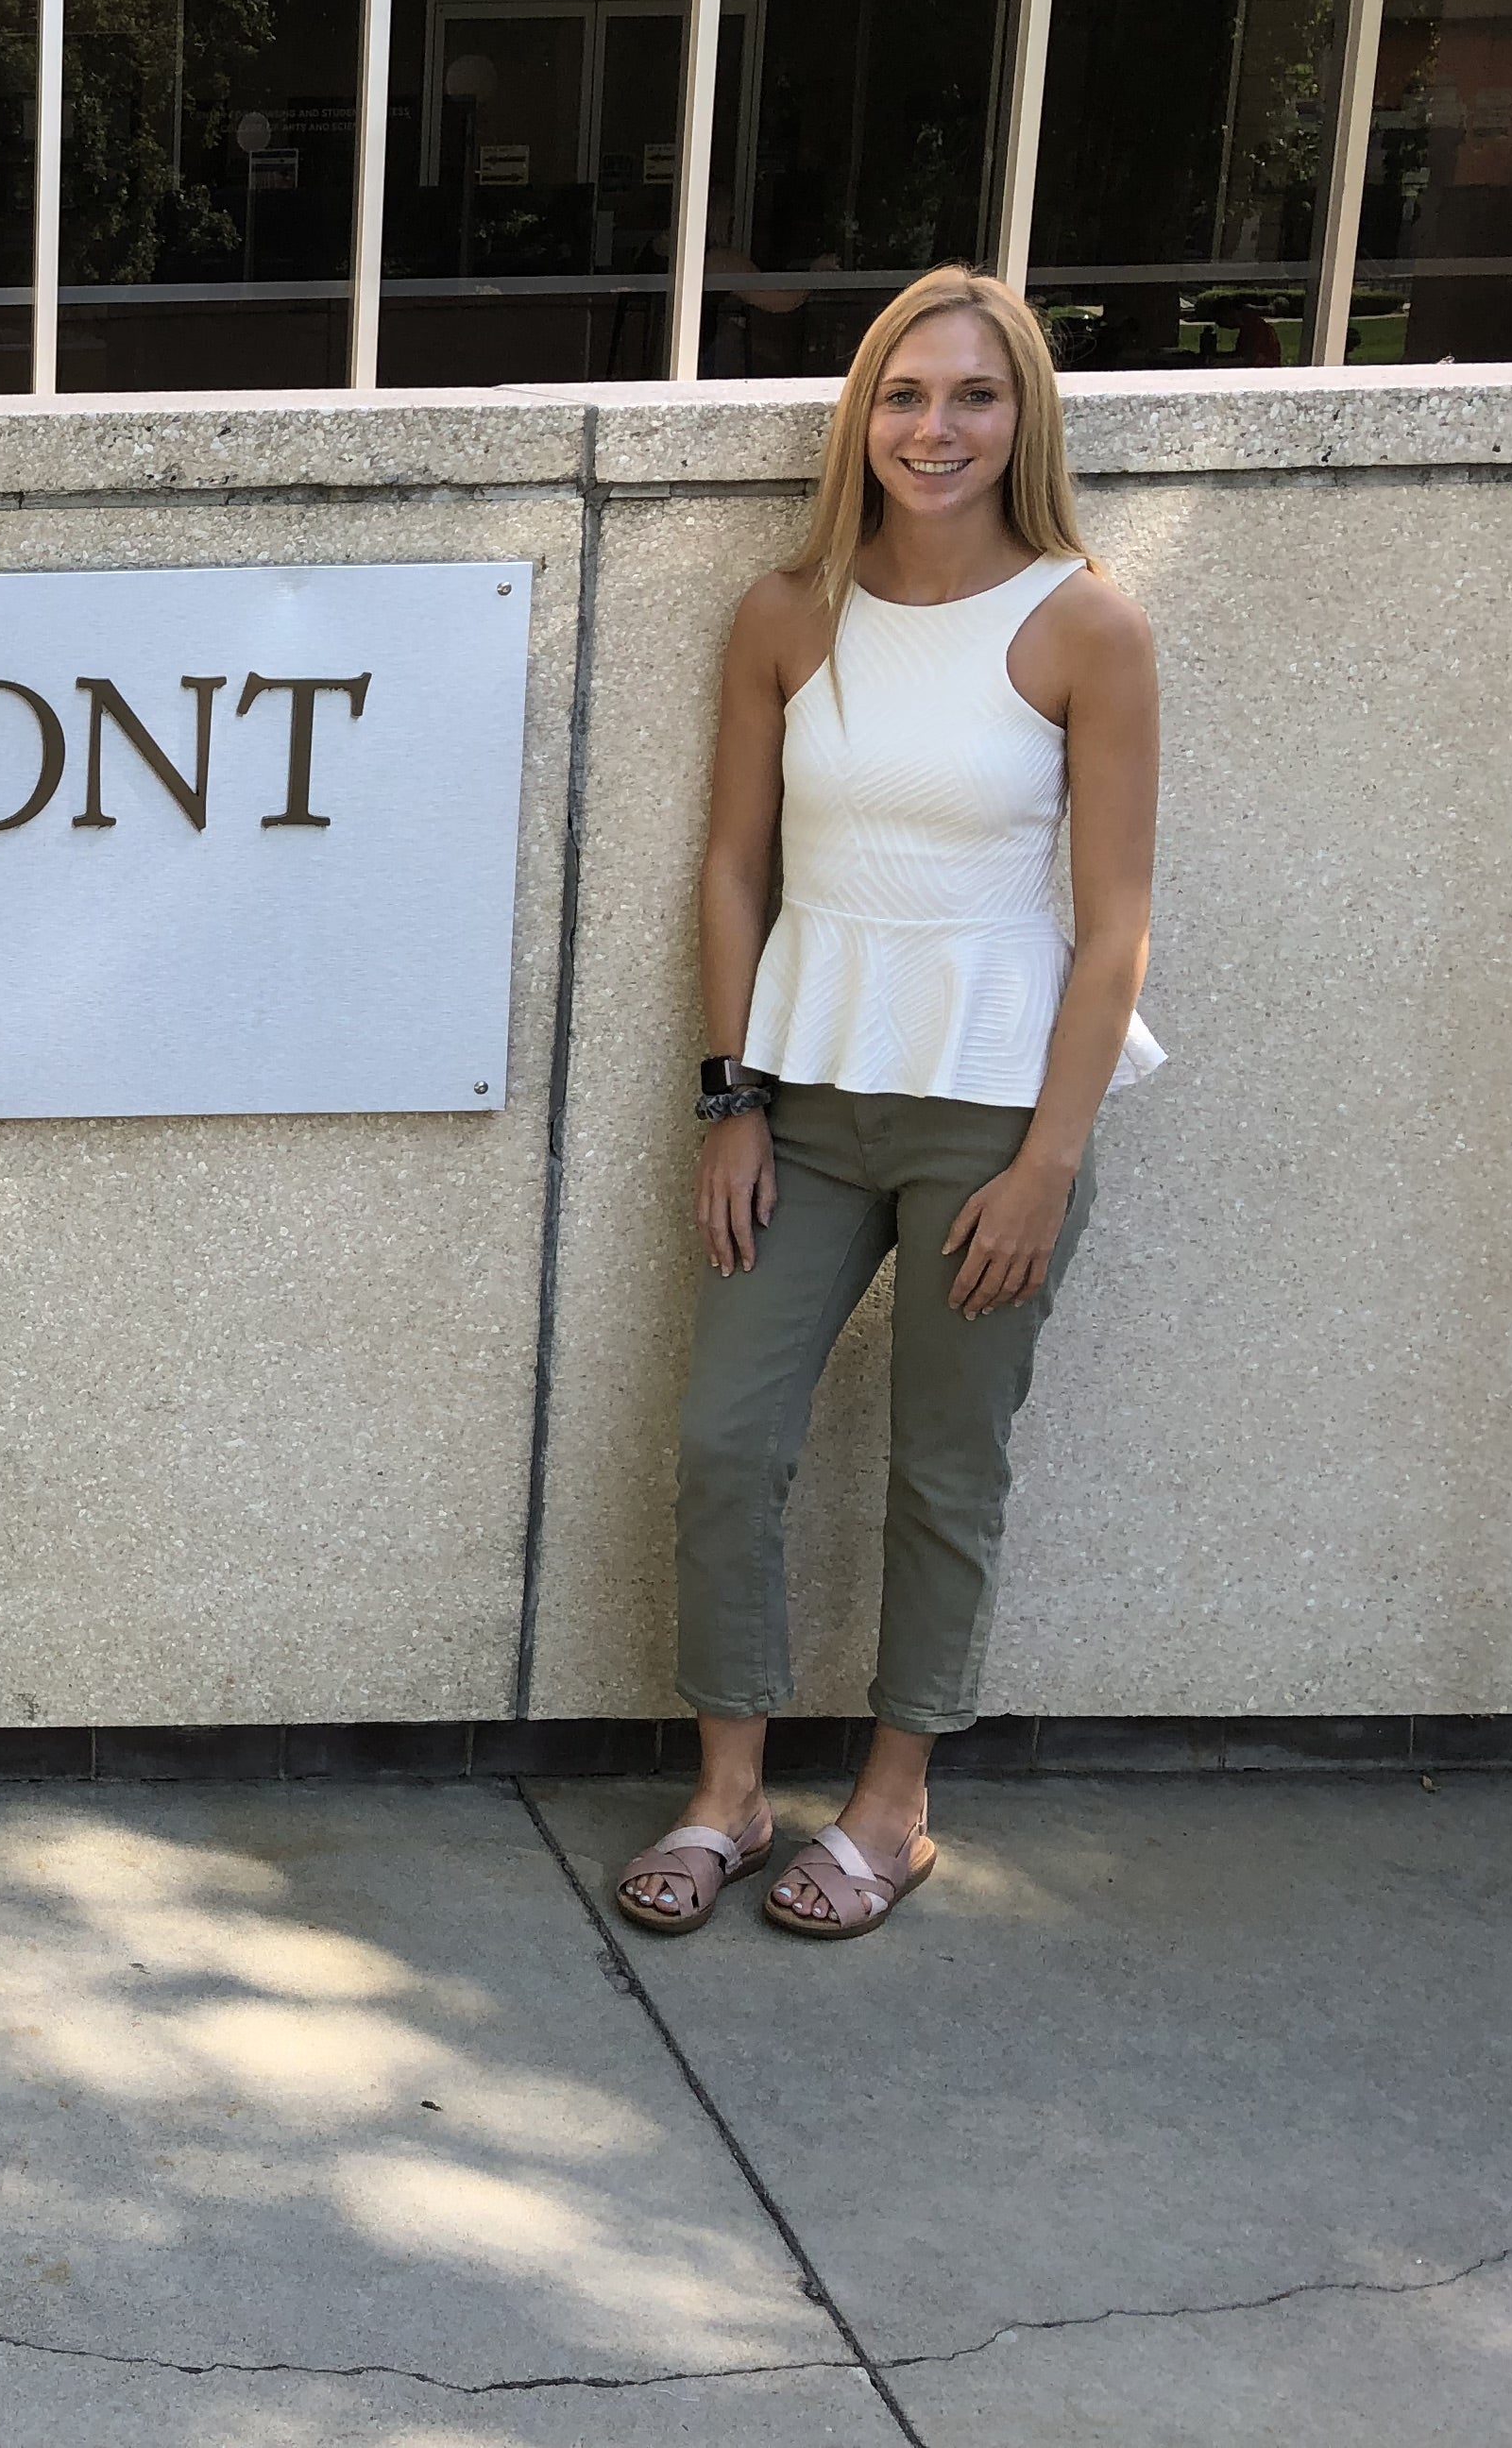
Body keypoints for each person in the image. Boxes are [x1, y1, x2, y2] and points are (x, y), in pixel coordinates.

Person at [616, 264, 1162, 1944]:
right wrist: (730, 1098)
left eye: (973, 396)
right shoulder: (790, 611)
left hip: (990, 1118)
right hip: (805, 1094)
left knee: (943, 1462)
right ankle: (727, 1788)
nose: (935, 427)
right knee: (724, 1439)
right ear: (862, 413)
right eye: (905, 394)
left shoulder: (1084, 620)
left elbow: (1116, 919)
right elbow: (730, 863)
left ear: (1023, 419)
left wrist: (1046, 1158)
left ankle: (889, 1805)